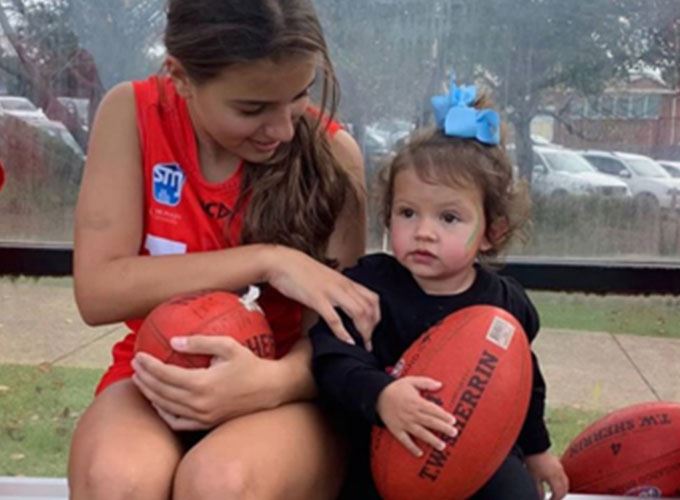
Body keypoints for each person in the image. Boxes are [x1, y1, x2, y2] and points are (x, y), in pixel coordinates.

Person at [67, 1, 381, 499]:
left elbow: (344, 338)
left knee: (221, 483)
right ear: (182, 76)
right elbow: (98, 291)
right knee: (118, 479)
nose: (282, 128)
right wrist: (268, 260)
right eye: (252, 108)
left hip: (290, 393)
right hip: (155, 373)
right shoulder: (132, 113)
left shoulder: (335, 157)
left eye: (299, 95)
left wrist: (270, 382)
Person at [310, 80, 569, 499]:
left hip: (479, 456)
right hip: (386, 451)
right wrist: (381, 395)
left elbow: (524, 382)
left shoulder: (506, 305)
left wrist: (537, 449)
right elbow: (332, 361)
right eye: (408, 212)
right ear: (388, 215)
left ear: (491, 232)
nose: (423, 232)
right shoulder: (366, 288)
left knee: (515, 491)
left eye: (449, 218)